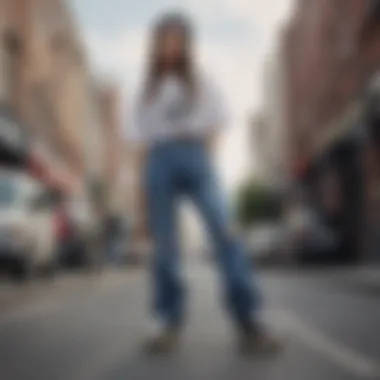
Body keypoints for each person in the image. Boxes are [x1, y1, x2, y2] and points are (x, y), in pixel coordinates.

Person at [127, 12, 280, 354]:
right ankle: (166, 320)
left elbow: (218, 124)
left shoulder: (202, 82)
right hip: (160, 158)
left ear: (185, 45)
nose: (171, 45)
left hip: (196, 155)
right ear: (155, 45)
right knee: (164, 246)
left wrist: (208, 160)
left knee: (226, 233)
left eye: (177, 39)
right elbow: (138, 144)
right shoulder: (144, 90)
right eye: (164, 39)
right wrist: (141, 196)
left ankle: (250, 318)